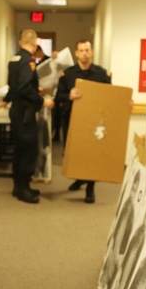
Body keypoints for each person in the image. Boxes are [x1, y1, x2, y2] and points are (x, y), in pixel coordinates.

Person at [54, 40, 111, 203]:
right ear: (76, 53)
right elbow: (58, 97)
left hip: (95, 122)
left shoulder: (101, 74)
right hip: (72, 120)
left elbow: (110, 96)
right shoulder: (68, 74)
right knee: (75, 154)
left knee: (92, 154)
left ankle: (90, 188)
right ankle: (80, 179)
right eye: (81, 50)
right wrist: (69, 96)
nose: (85, 53)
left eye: (87, 50)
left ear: (91, 52)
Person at [6, 29, 54, 204]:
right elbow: (24, 88)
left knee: (19, 149)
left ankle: (17, 186)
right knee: (29, 149)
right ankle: (24, 189)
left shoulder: (14, 59)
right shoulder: (29, 61)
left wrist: (34, 89)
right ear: (34, 44)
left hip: (16, 109)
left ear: (20, 42)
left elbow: (15, 85)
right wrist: (42, 101)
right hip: (25, 112)